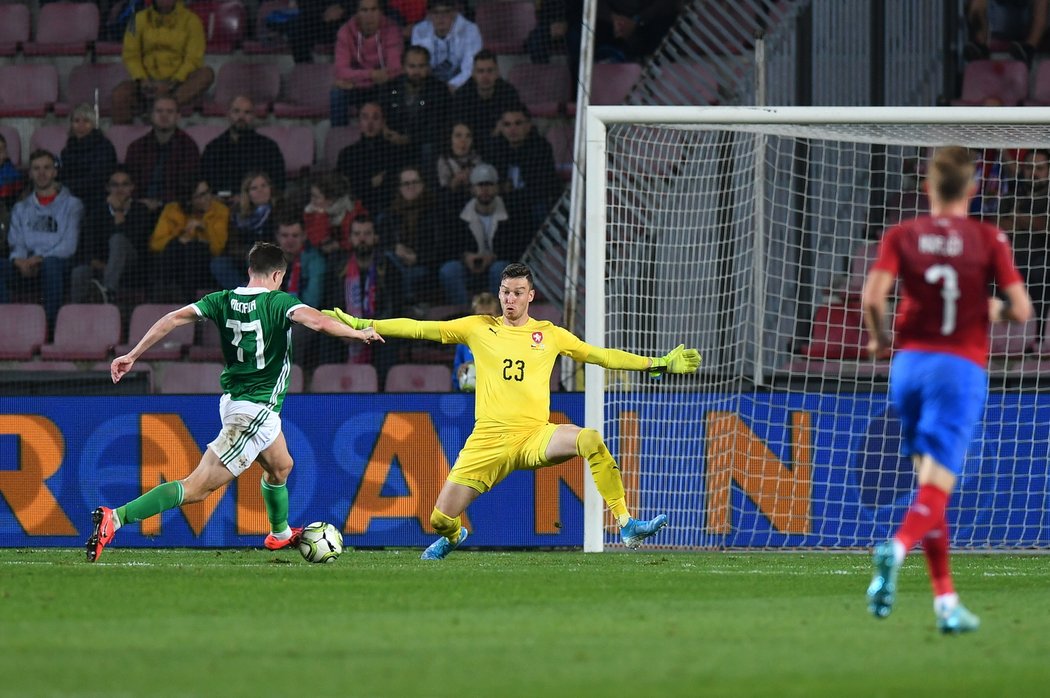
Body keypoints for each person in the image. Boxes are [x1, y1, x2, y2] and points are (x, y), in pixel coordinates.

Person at [324, 261, 700, 558]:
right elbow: (421, 328)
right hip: (487, 442)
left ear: (530, 296)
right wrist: (364, 323)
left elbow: (600, 355)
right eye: (505, 292)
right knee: (439, 519)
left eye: (518, 293)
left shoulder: (550, 334)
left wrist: (658, 363)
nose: (510, 299)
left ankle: (625, 522)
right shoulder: (478, 327)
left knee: (589, 438)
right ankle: (455, 537)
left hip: (535, 435)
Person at [87, 241, 383, 562]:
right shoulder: (280, 302)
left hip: (238, 402)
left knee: (281, 466)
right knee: (197, 488)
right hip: (252, 411)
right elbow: (320, 321)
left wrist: (132, 355)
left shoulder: (222, 300)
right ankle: (115, 518)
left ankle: (279, 533)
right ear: (278, 275)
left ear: (248, 272)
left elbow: (171, 319)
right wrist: (359, 333)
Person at [862, 146, 1033, 634]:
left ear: (929, 187)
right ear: (974, 188)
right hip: (958, 368)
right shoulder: (988, 237)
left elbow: (872, 297)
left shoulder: (902, 234)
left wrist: (876, 338)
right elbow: (1021, 311)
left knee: (927, 484)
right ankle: (894, 548)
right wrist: (987, 310)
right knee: (938, 487)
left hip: (909, 366)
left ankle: (946, 601)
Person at [0, 150, 83, 330]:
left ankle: (51, 329)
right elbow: (17, 241)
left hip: (59, 265)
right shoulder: (21, 207)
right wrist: (19, 260)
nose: (42, 173)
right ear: (30, 173)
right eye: (36, 168)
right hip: (28, 266)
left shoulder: (72, 205)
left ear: (55, 172)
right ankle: (4, 325)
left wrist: (40, 258)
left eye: (46, 168)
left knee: (51, 265)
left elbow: (69, 246)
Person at [438, 162, 530, 306]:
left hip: (497, 269)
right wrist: (465, 257)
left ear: (497, 187)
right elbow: (449, 246)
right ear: (472, 189)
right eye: (480, 185)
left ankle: (496, 315)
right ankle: (463, 316)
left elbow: (518, 247)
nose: (485, 190)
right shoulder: (459, 214)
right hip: (469, 269)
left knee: (500, 269)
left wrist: (494, 257)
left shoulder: (512, 212)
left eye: (489, 184)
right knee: (449, 270)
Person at [111, 0, 215, 124]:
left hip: (178, 85)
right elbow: (130, 55)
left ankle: (162, 107)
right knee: (120, 94)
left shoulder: (192, 20)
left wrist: (173, 82)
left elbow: (194, 59)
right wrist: (142, 79)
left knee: (206, 74)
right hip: (146, 82)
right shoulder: (137, 19)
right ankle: (123, 139)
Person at [69, 166, 153, 304]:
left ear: (132, 187)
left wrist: (119, 211)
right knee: (79, 272)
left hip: (132, 267)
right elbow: (87, 246)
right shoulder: (97, 212)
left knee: (118, 239)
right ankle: (76, 316)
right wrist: (99, 264)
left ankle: (108, 292)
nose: (120, 189)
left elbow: (136, 243)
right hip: (101, 266)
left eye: (125, 184)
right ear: (108, 188)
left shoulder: (141, 210)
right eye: (115, 185)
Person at [149, 180, 228, 301]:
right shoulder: (171, 210)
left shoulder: (220, 210)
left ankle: (188, 301)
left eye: (207, 192)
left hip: (203, 264)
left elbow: (217, 248)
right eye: (200, 195)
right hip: (174, 260)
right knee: (175, 247)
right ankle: (162, 299)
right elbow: (156, 244)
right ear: (189, 199)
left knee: (193, 248)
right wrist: (181, 233)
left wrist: (204, 228)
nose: (207, 198)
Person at [483, 105, 562, 228]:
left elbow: (541, 188)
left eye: (518, 123)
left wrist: (507, 192)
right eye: (507, 125)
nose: (512, 129)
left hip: (531, 204)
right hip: (505, 203)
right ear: (501, 128)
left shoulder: (540, 147)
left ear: (528, 125)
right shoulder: (495, 148)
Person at [330, 0, 404, 127]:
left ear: (380, 12)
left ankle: (390, 134)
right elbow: (341, 71)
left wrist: (357, 78)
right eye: (364, 10)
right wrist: (372, 74)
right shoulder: (345, 31)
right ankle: (338, 136)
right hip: (357, 87)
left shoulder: (392, 30)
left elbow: (394, 69)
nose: (369, 15)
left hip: (383, 86)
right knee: (337, 92)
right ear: (357, 13)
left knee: (397, 89)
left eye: (374, 9)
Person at [378, 45, 451, 170]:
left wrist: (408, 139)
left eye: (421, 66)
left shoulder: (439, 90)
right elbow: (381, 112)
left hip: (422, 142)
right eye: (412, 66)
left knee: (429, 148)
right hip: (395, 140)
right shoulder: (391, 87)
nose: (416, 72)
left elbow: (436, 127)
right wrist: (385, 129)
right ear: (403, 67)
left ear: (428, 67)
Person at [200, 95, 287, 200]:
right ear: (228, 115)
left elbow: (279, 185)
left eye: (247, 112)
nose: (241, 117)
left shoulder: (268, 148)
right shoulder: (213, 149)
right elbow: (204, 186)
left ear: (253, 116)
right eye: (236, 111)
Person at [378, 165, 442, 305]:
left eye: (415, 182)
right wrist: (396, 249)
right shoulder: (389, 215)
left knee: (406, 274)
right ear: (399, 188)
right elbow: (381, 244)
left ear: (422, 184)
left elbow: (442, 248)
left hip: (426, 266)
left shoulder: (436, 211)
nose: (411, 187)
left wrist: (417, 258)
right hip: (396, 263)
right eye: (406, 183)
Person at [125, 96, 200, 214]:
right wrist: (140, 202)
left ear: (178, 116)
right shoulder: (136, 148)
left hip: (175, 210)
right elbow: (129, 183)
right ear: (151, 115)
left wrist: (161, 203)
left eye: (170, 111)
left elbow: (189, 187)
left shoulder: (188, 147)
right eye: (159, 111)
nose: (164, 115)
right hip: (139, 210)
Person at [335, 101, 407, 216]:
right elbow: (341, 188)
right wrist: (370, 183)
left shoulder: (396, 152)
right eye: (365, 117)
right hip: (356, 211)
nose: (370, 123)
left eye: (375, 118)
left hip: (389, 211)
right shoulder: (347, 154)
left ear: (383, 122)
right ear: (359, 122)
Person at [212, 172, 278, 290]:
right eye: (254, 188)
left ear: (270, 188)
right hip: (243, 258)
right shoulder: (237, 216)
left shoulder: (280, 209)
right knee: (219, 263)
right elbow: (232, 245)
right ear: (247, 194)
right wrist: (246, 253)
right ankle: (245, 293)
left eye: (264, 186)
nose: (260, 190)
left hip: (269, 259)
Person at [450, 49, 523, 142]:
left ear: (497, 72)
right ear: (473, 74)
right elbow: (460, 130)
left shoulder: (509, 93)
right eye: (480, 71)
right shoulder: (461, 95)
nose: (485, 76)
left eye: (490, 71)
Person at [410, 0, 482, 90]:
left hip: (461, 86)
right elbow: (420, 65)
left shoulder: (470, 30)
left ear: (454, 13)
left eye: (446, 12)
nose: (441, 18)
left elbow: (470, 69)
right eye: (435, 13)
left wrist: (451, 86)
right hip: (430, 87)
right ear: (429, 15)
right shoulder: (419, 31)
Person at [59, 104, 118, 210]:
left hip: (97, 200)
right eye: (76, 121)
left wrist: (66, 188)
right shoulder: (67, 150)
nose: (81, 125)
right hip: (69, 199)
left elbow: (98, 180)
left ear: (94, 124)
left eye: (86, 121)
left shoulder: (104, 146)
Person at [965, 0, 1048, 65]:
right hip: (1001, 19)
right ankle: (981, 47)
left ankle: (1028, 49)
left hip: (1025, 21)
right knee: (976, 4)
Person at [451, 291, 498, 391]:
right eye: (480, 315)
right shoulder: (463, 342)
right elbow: (455, 378)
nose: (484, 320)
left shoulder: (507, 340)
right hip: (470, 398)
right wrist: (459, 372)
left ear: (498, 316)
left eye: (489, 315)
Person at [435, 121, 482, 211]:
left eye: (468, 136)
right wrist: (454, 182)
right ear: (450, 138)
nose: (463, 141)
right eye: (458, 136)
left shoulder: (478, 158)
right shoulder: (443, 160)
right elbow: (442, 190)